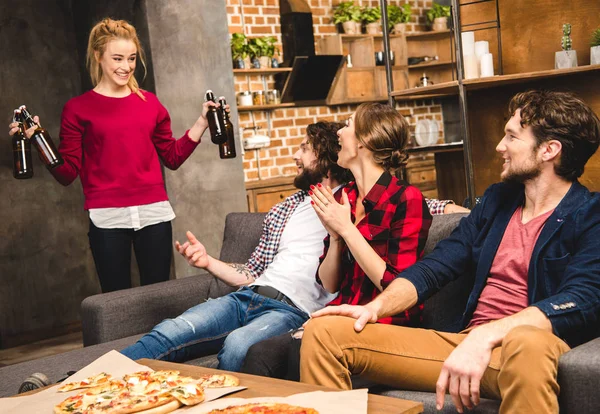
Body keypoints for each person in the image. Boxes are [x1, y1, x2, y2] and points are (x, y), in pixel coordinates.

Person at [299, 90, 600, 413]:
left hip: (531, 350)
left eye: (512, 137)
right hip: (466, 343)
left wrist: (487, 335)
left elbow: (583, 298)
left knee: (526, 341)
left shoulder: (589, 214)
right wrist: (376, 307)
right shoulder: (499, 201)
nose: (500, 146)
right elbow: (437, 266)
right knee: (324, 332)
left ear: (549, 150)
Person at [8, 18, 221, 293]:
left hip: (154, 214)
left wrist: (203, 122)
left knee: (157, 297)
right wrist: (37, 139)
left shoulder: (150, 103)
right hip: (106, 217)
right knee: (116, 301)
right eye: (117, 58)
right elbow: (66, 173)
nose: (126, 66)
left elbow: (172, 157)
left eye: (131, 58)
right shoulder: (77, 109)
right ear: (98, 56)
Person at [119, 121, 350, 372]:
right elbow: (252, 271)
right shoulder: (287, 208)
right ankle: (89, 379)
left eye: (305, 148)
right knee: (171, 329)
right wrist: (207, 261)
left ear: (326, 154)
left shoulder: (352, 205)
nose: (295, 155)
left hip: (292, 311)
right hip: (248, 295)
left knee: (238, 346)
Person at [241, 102, 433, 380]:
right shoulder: (345, 197)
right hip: (341, 315)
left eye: (348, 125)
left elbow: (396, 287)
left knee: (300, 350)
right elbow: (329, 283)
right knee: (259, 355)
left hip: (387, 323)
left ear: (365, 142)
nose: (340, 133)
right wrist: (334, 235)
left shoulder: (406, 198)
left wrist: (346, 229)